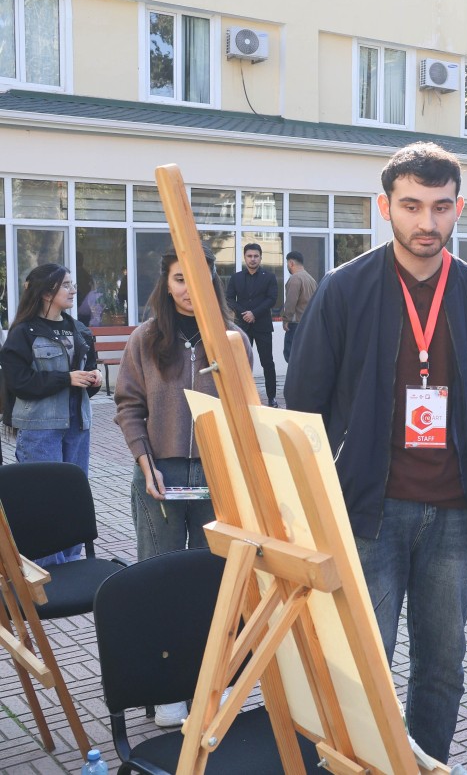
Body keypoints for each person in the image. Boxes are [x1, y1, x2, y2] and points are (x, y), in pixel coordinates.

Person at [284, 141, 467, 765]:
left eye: (440, 207)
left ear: (459, 208)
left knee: (442, 663)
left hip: (455, 514)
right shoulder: (344, 289)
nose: (426, 223)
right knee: (363, 665)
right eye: (411, 206)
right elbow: (304, 409)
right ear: (385, 208)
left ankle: (424, 762)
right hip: (369, 511)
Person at [113, 248, 250, 727]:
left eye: (197, 278)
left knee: (213, 582)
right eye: (178, 279)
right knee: (161, 579)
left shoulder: (232, 341)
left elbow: (246, 413)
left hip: (217, 478)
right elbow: (128, 404)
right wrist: (144, 460)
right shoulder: (146, 339)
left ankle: (210, 681)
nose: (188, 290)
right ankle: (167, 688)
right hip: (161, 478)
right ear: (165, 284)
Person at [1, 263, 102, 565]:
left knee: (72, 496)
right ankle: (47, 568)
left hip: (78, 424)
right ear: (46, 293)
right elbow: (19, 383)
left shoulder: (79, 329)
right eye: (66, 285)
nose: (74, 290)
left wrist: (93, 378)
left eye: (73, 284)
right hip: (40, 426)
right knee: (42, 498)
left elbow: (86, 378)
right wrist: (66, 378)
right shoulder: (23, 333)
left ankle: (71, 563)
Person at [225, 242, 278, 407]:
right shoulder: (236, 277)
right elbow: (228, 299)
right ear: (245, 257)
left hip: (262, 326)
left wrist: (254, 313)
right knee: (241, 362)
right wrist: (245, 314)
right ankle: (241, 397)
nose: (253, 259)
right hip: (242, 326)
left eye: (256, 256)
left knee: (267, 362)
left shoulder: (269, 277)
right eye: (250, 256)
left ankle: (272, 398)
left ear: (260, 258)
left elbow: (272, 299)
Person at [280, 250, 317, 364]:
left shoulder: (295, 278)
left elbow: (291, 301)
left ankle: (295, 381)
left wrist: (286, 319)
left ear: (291, 263)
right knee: (305, 358)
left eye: (287, 264)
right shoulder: (311, 279)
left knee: (291, 356)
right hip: (309, 323)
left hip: (296, 324)